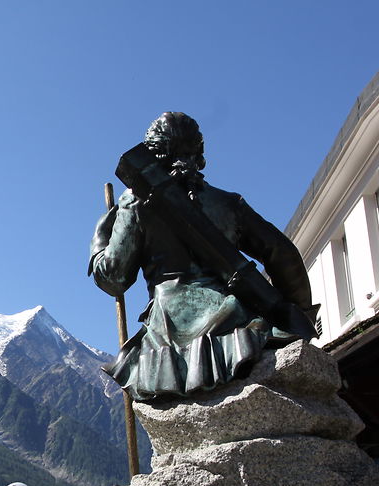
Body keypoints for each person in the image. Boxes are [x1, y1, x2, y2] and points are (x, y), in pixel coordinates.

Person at [89, 111, 315, 402]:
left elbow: (114, 278)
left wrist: (100, 238)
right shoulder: (228, 203)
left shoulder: (135, 202)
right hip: (239, 319)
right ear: (199, 153)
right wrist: (297, 313)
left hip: (170, 331)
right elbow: (282, 255)